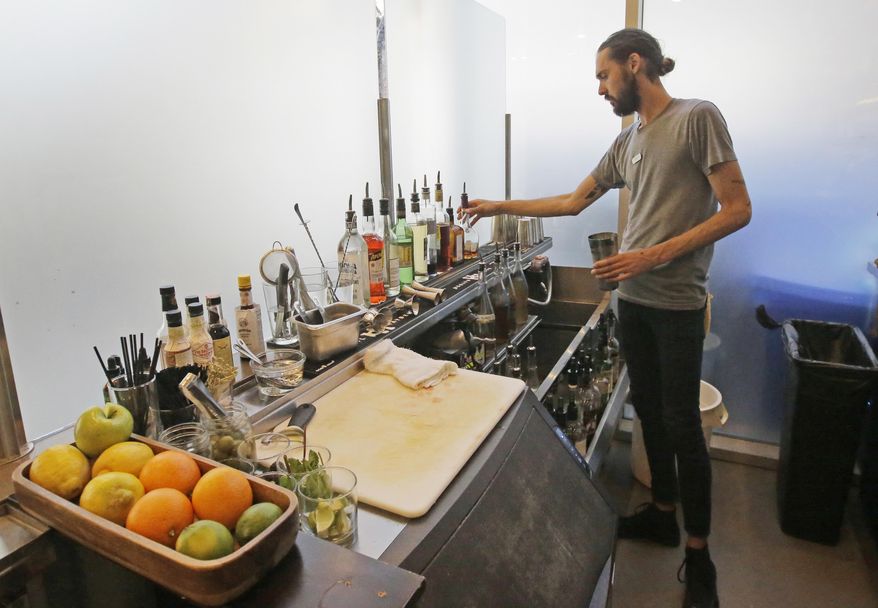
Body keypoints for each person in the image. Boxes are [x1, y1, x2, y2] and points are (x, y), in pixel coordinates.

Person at [461, 28, 751, 608]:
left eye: (602, 75)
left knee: (683, 426)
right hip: (635, 303)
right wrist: (498, 204)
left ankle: (700, 557)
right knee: (650, 412)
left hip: (677, 304)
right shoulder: (629, 141)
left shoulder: (698, 118)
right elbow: (573, 201)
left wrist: (653, 253)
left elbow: (738, 208)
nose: (599, 88)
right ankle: (662, 514)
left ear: (633, 63)